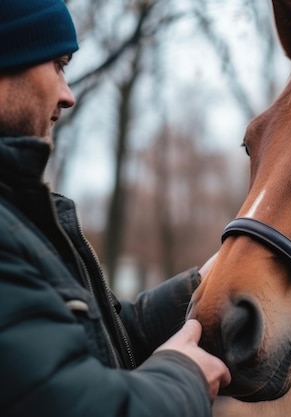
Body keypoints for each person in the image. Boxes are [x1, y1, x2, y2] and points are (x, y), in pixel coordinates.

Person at [0, 1, 231, 416]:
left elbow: (97, 339)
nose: (67, 95)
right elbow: (76, 405)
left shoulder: (18, 218)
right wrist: (184, 378)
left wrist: (204, 281)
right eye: (58, 63)